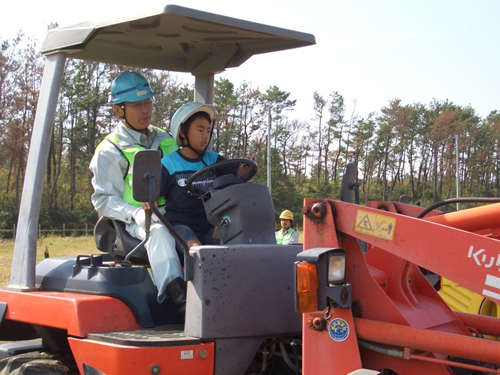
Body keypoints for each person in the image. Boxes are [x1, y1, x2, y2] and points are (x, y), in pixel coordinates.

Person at [89, 71, 186, 317]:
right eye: (137, 105)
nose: (145, 110)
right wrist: (134, 213)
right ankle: (180, 300)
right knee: (158, 230)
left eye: (148, 103)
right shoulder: (110, 150)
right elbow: (103, 200)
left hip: (173, 212)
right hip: (134, 221)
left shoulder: (165, 139)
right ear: (118, 110)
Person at [161, 102, 257, 249]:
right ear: (182, 132)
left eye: (208, 131)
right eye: (200, 130)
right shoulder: (169, 163)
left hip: (209, 224)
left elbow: (238, 173)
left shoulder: (213, 160)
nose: (205, 136)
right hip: (179, 225)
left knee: (232, 244)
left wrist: (246, 165)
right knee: (195, 248)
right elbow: (152, 195)